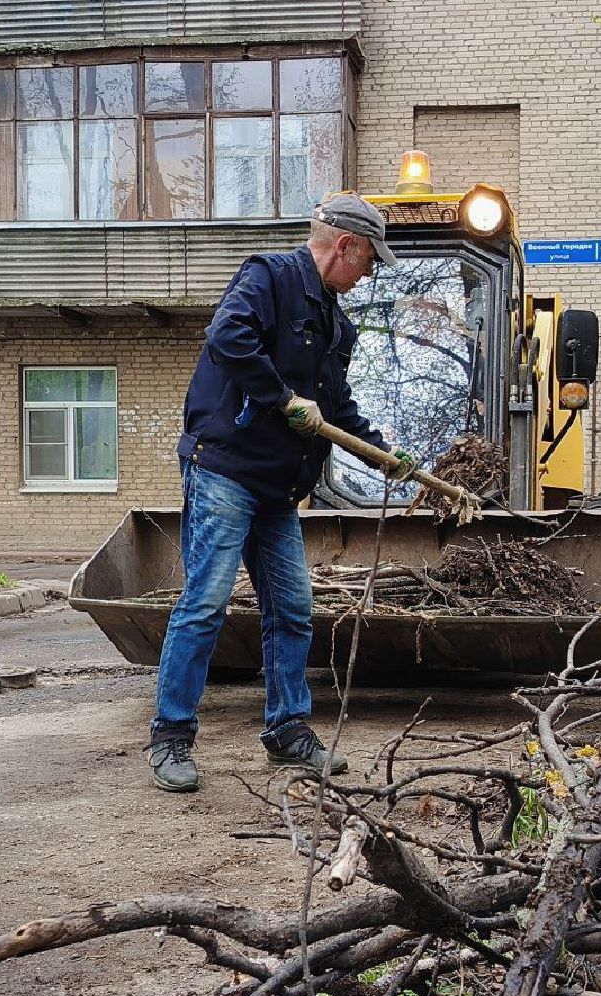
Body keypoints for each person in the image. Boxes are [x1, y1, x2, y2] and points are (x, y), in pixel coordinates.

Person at [148, 193, 416, 793]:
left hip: (276, 490)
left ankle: (288, 730)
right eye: (370, 260)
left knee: (293, 610)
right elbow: (229, 339)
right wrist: (280, 398)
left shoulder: (335, 324)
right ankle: (170, 737)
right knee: (207, 602)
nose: (370, 273)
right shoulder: (267, 278)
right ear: (344, 245)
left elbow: (336, 407)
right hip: (225, 471)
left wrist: (382, 451)